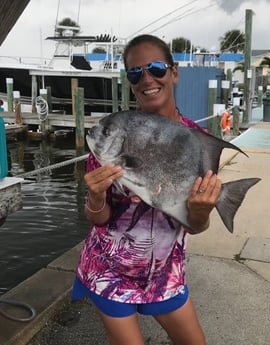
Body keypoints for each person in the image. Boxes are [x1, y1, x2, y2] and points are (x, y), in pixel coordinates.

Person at [72, 34, 222, 345]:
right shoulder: (112, 136)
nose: (147, 79)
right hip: (109, 271)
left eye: (155, 68)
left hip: (166, 273)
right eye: (135, 73)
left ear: (174, 72)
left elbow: (195, 226)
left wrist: (201, 211)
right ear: (129, 81)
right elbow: (98, 219)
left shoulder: (198, 140)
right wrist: (97, 196)